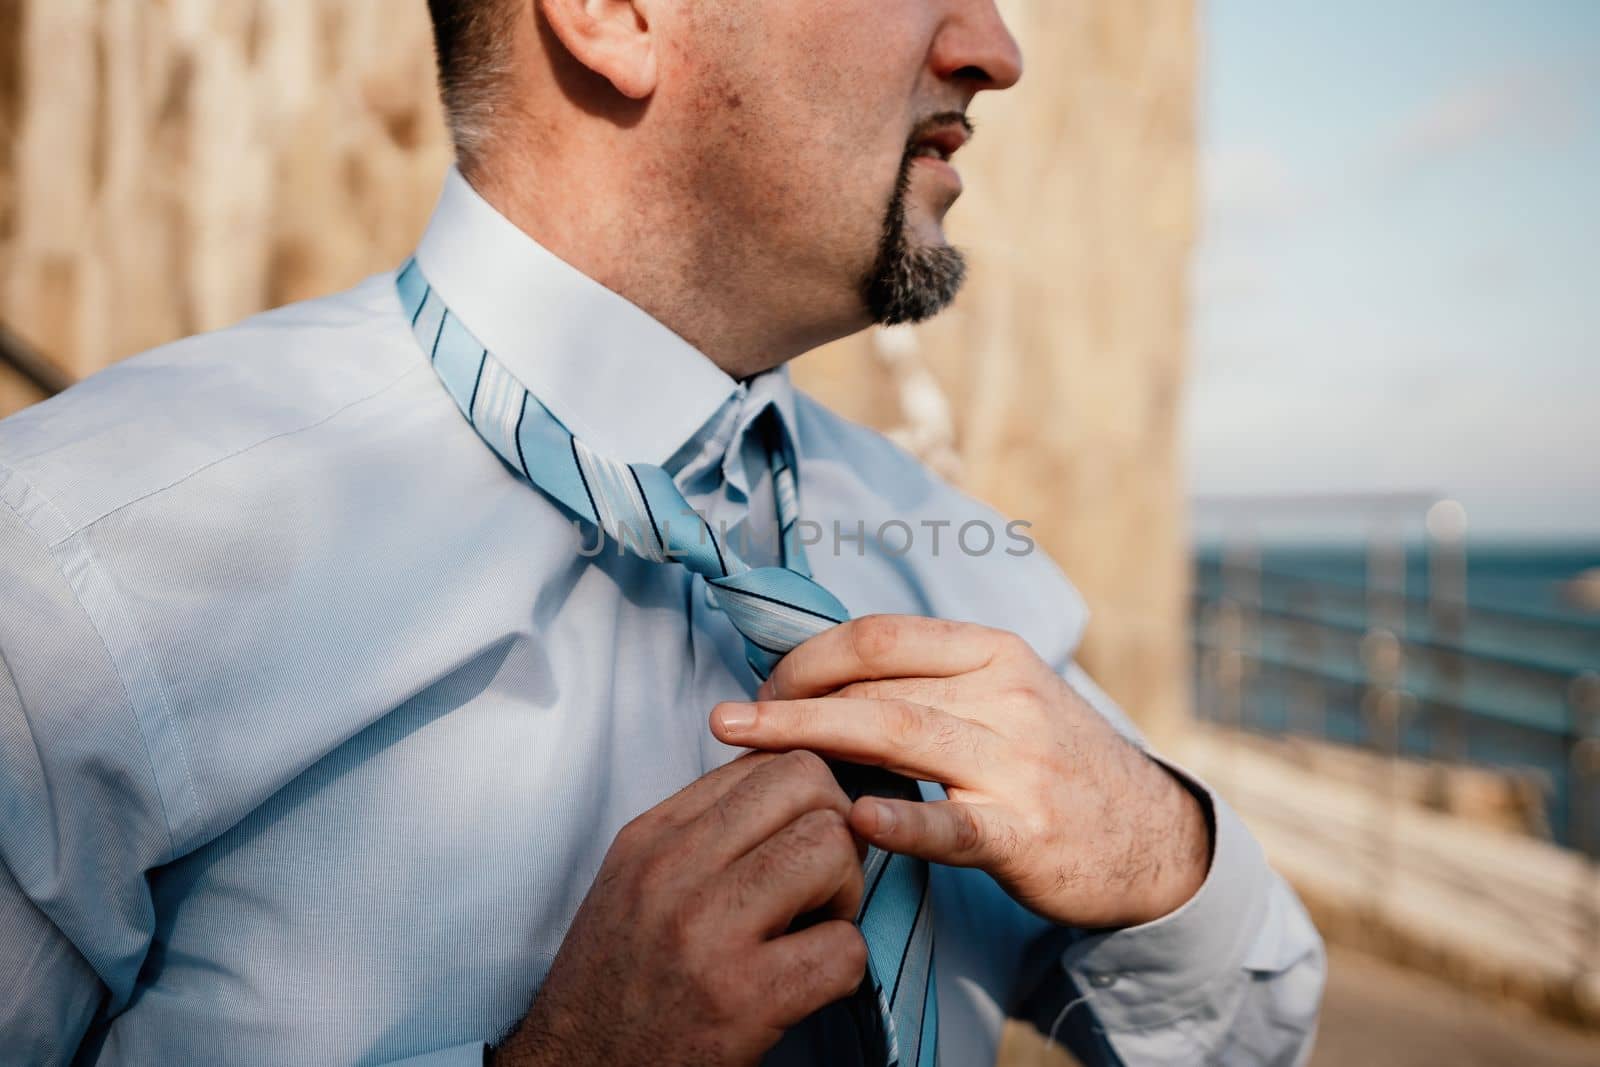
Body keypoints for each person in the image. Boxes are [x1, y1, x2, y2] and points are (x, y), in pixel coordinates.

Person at [0, 1, 1325, 1064]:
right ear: (613, 13)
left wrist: (1161, 852)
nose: (995, 50)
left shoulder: (953, 552)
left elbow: (1255, 1029)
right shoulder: (75, 564)